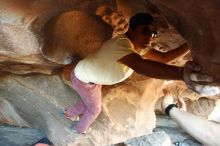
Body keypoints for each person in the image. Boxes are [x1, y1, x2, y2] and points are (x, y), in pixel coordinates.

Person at [63, 12, 211, 134]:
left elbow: (164, 58)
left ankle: (69, 114)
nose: (149, 37)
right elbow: (140, 65)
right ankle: (78, 130)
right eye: (145, 31)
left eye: (153, 34)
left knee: (89, 101)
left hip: (91, 78)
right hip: (84, 79)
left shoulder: (139, 46)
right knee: (95, 109)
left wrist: (191, 44)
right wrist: (181, 73)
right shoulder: (122, 44)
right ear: (131, 30)